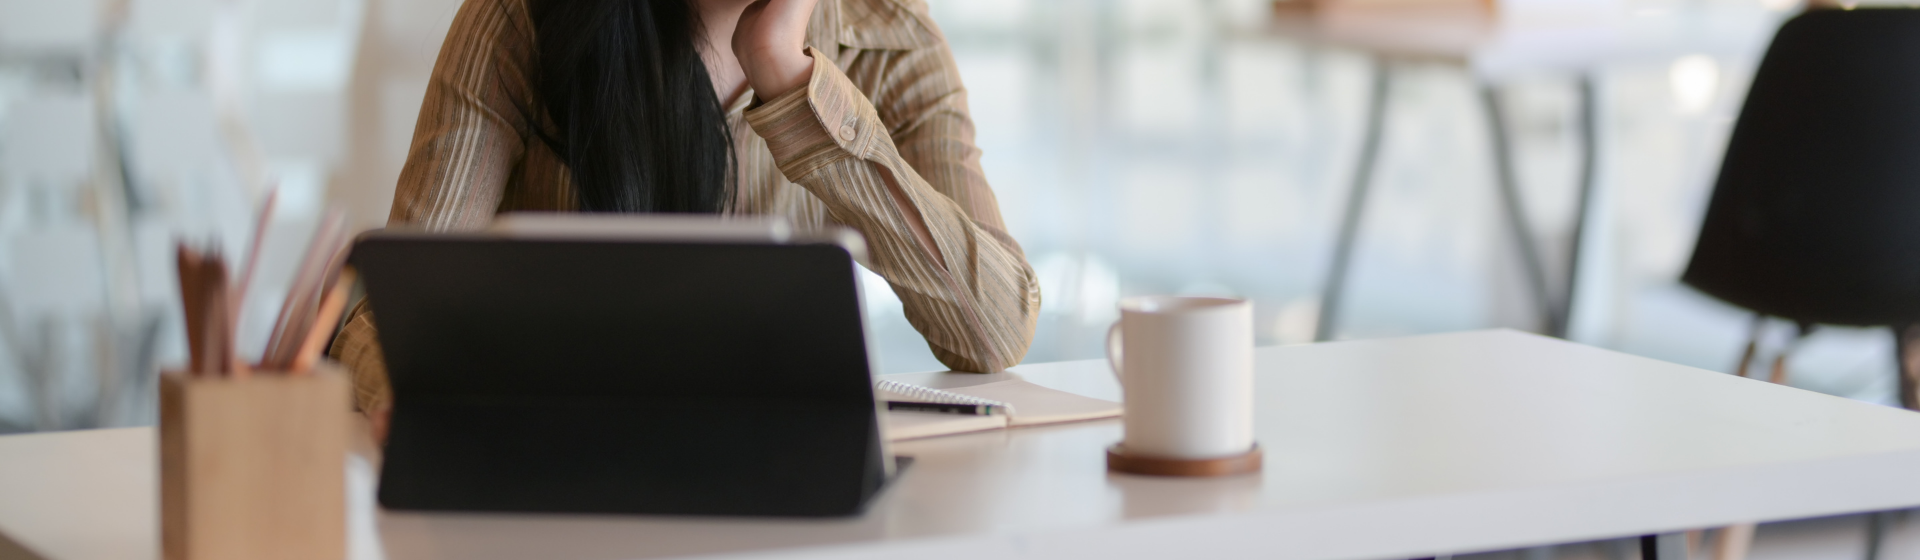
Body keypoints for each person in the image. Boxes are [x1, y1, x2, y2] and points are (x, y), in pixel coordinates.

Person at [329, 0, 1040, 415]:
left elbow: (993, 330)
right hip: (565, 484)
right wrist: (430, 396)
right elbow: (395, 309)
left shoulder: (892, 39)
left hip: (782, 495)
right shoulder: (521, 20)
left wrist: (790, 78)